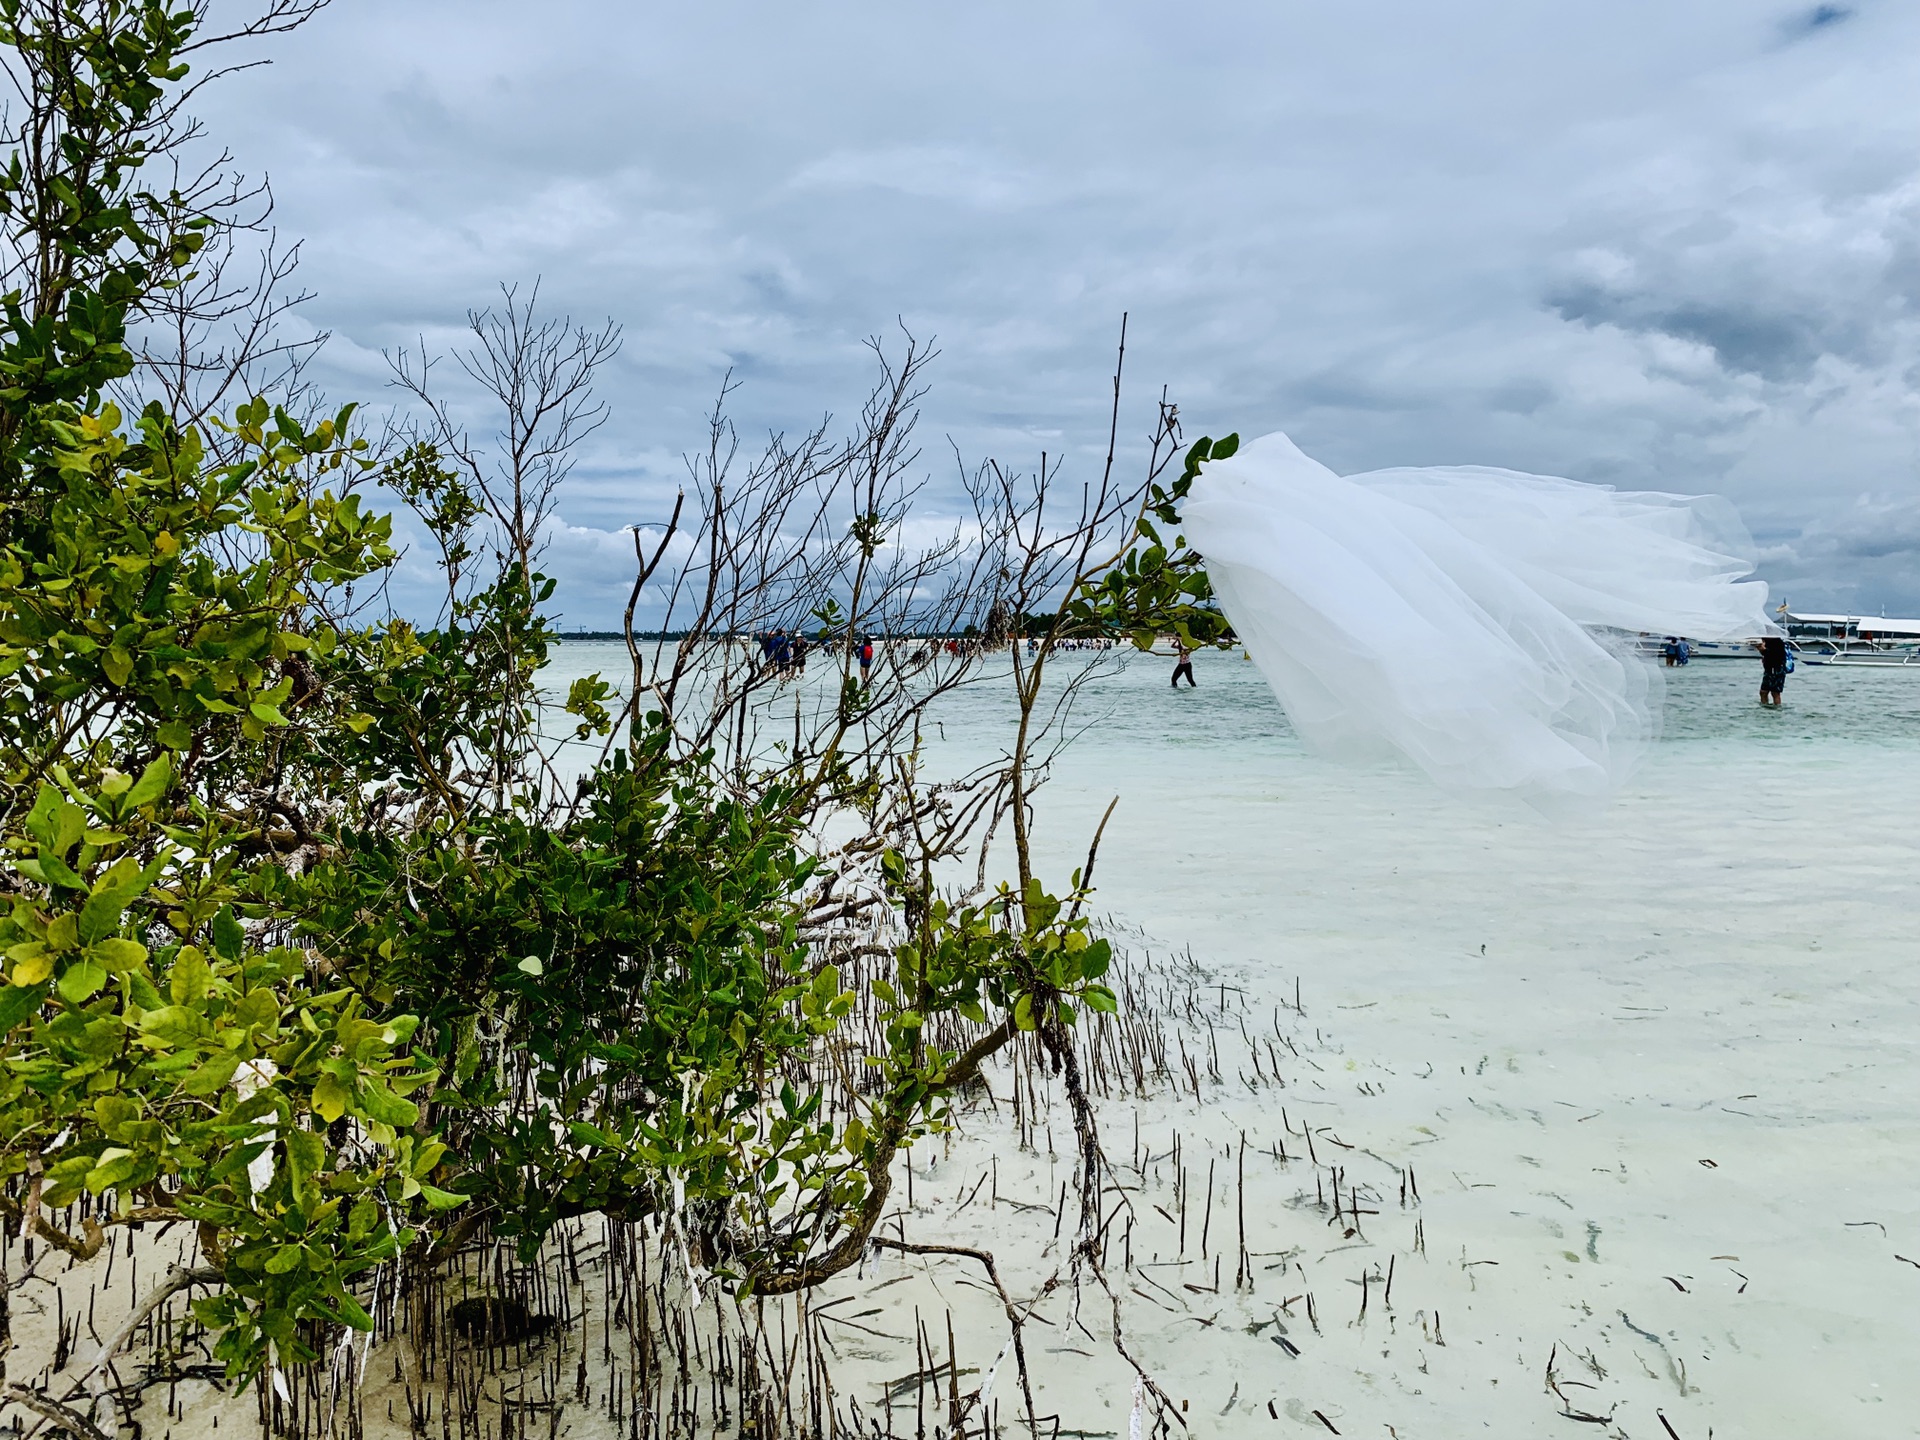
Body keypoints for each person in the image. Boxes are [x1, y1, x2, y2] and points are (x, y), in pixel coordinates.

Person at [1759, 634, 1788, 706]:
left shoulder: (1778, 642)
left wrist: (1764, 650)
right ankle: (1765, 707)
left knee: (1775, 692)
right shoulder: (1767, 641)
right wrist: (1761, 649)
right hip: (1769, 668)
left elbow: (1774, 655)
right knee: (1763, 692)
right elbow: (1766, 654)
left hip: (1777, 668)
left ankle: (1777, 708)